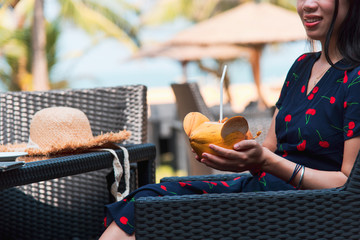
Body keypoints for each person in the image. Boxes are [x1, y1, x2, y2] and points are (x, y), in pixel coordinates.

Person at [100, 0, 360, 239]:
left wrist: (267, 162)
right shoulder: (302, 66)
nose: (307, 4)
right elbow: (270, 146)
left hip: (298, 211)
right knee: (146, 201)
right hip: (261, 193)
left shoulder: (356, 77)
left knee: (149, 210)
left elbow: (347, 184)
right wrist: (238, 156)